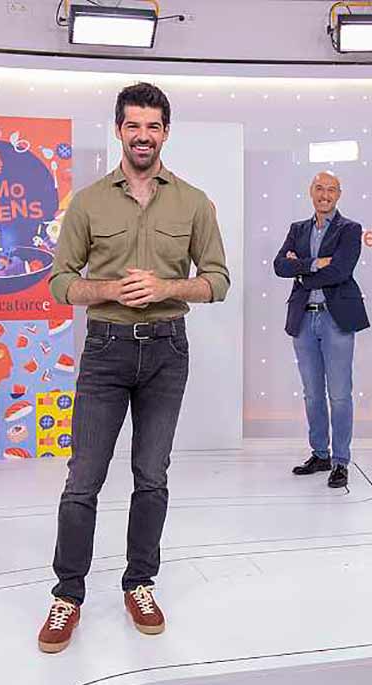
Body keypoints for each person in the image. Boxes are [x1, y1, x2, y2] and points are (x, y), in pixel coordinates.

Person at [38, 82, 230, 654]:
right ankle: (67, 594)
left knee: (152, 476)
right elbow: (59, 282)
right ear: (119, 130)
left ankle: (139, 583)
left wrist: (168, 286)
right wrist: (109, 288)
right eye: (132, 126)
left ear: (165, 132)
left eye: (153, 126)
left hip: (168, 351)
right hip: (105, 351)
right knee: (83, 479)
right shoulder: (89, 201)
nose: (142, 136)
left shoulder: (194, 202)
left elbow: (217, 280)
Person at [273, 172, 369, 490]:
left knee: (339, 395)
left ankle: (341, 461)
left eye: (331, 190)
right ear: (310, 192)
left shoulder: (350, 229)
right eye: (319, 189)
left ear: (338, 195)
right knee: (313, 394)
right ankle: (320, 454)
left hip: (335, 319)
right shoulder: (297, 229)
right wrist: (314, 264)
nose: (324, 194)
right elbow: (279, 266)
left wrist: (300, 268)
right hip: (303, 319)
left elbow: (342, 270)